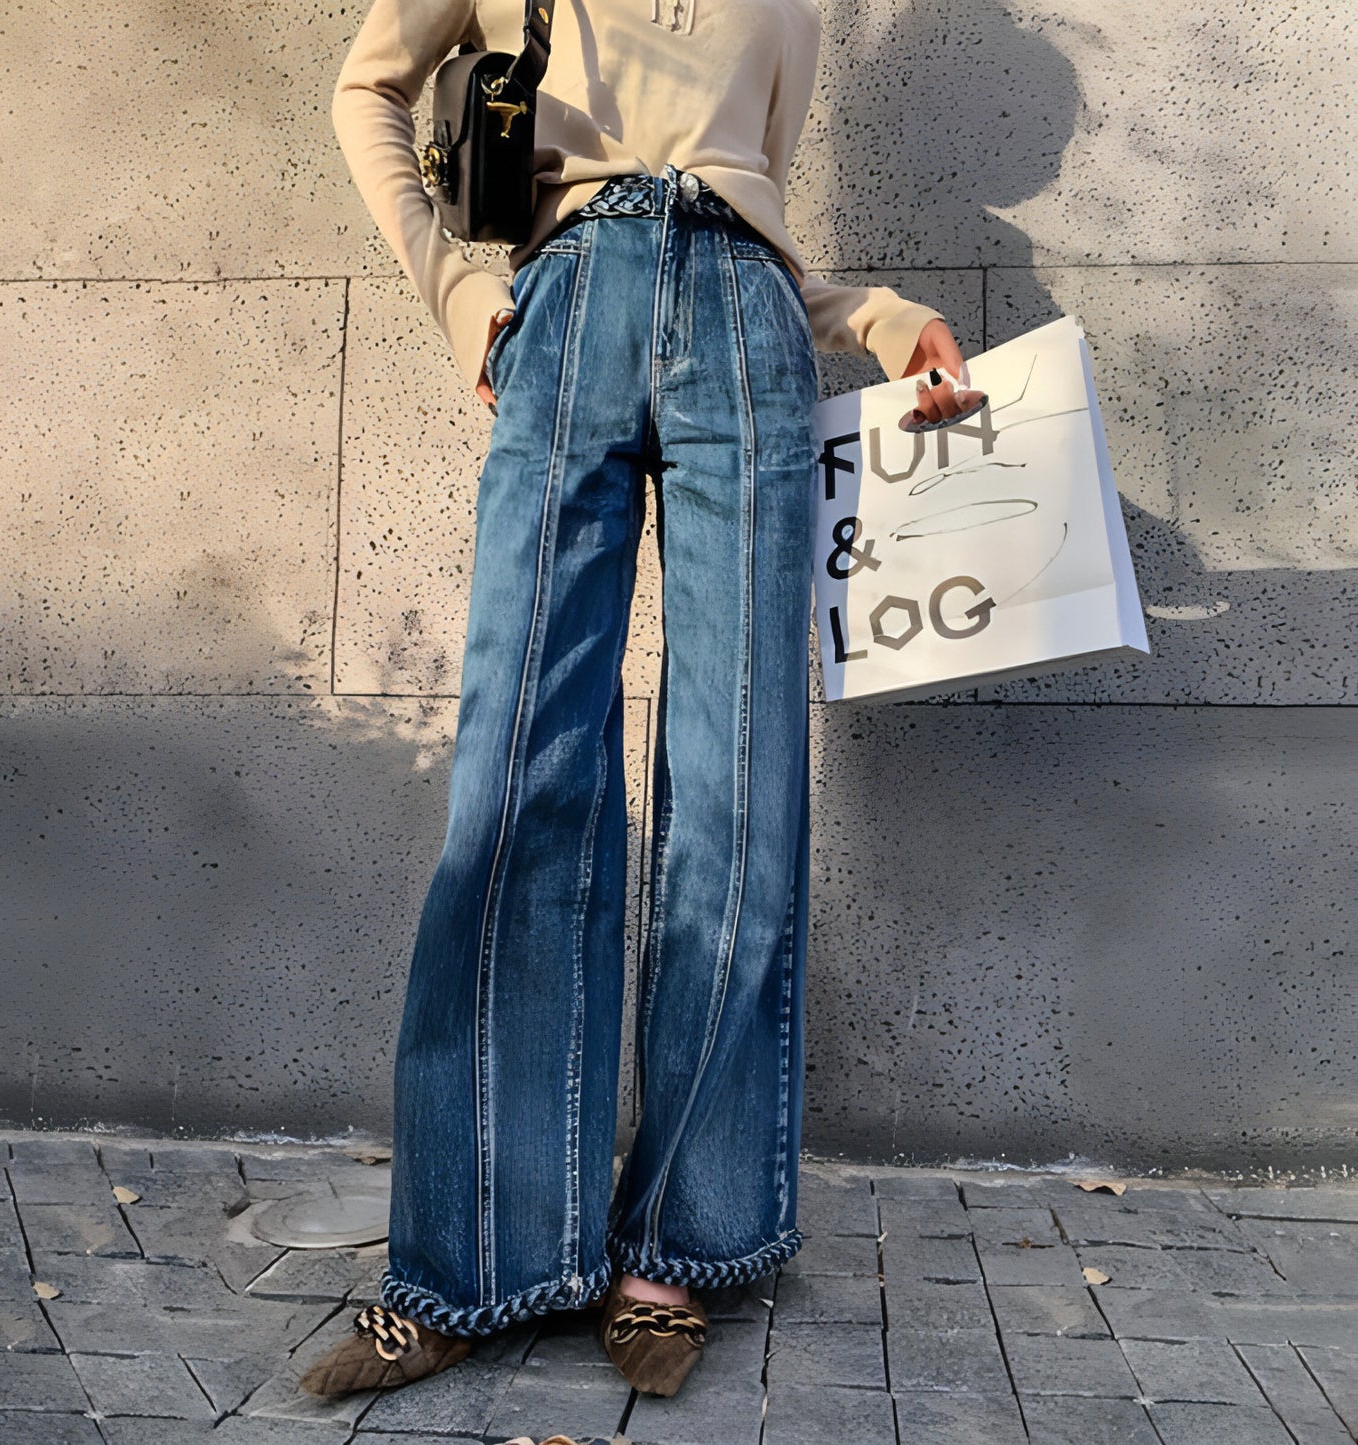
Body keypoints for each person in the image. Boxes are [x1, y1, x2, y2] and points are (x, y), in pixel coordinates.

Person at [301, 0, 972, 1405]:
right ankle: (468, 1259)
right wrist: (460, 291)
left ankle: (678, 1243)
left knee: (738, 787)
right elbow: (368, 88)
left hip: (747, 334)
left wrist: (884, 318)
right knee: (515, 775)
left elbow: (740, 217)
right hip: (562, 310)